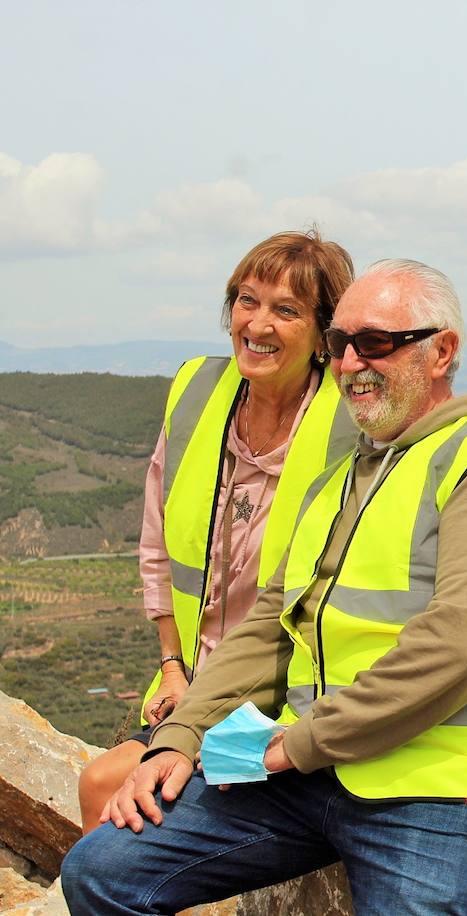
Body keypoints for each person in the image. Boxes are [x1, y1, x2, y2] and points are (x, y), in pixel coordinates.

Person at [62, 259, 467, 916]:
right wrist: (180, 736)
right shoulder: (343, 480)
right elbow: (272, 625)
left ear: (442, 351)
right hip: (313, 771)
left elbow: (457, 645)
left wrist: (293, 745)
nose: (351, 362)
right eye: (338, 344)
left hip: (439, 783)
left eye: (377, 342)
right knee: (103, 870)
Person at [76, 230, 357, 833]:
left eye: (287, 310)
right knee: (104, 788)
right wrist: (173, 665)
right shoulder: (200, 395)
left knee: (112, 788)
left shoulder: (348, 425)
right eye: (246, 300)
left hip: (285, 695)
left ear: (323, 335)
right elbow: (159, 549)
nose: (256, 323)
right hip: (193, 682)